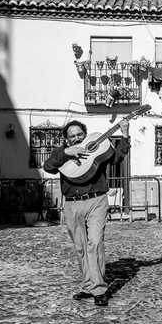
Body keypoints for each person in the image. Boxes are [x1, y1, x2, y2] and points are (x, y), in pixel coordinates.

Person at [44, 119, 130, 306]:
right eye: (72, 136)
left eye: (79, 134)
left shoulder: (98, 147)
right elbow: (48, 166)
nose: (76, 138)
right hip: (72, 205)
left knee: (95, 243)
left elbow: (117, 158)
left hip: (96, 201)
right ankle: (88, 285)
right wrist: (66, 152)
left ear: (85, 135)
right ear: (67, 139)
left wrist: (124, 134)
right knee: (81, 247)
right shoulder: (63, 153)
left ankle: (99, 289)